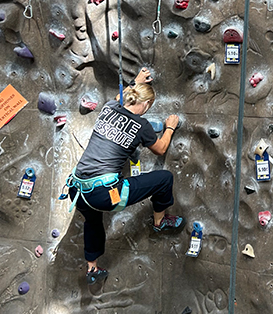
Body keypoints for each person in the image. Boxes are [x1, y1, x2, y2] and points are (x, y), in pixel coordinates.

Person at [63, 68, 185, 285]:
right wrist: (170, 127)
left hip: (78, 190)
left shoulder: (109, 108)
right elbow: (160, 149)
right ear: (146, 105)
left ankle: (92, 269)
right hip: (106, 194)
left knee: (92, 220)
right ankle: (159, 222)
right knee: (164, 178)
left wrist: (136, 82)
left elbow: (121, 98)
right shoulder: (141, 125)